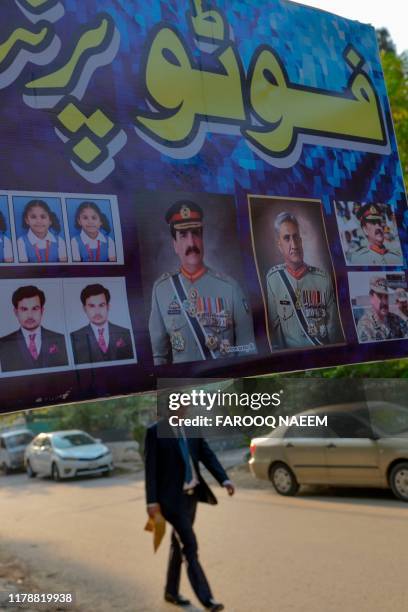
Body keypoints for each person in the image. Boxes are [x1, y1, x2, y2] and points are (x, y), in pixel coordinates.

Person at [144, 402, 234, 611]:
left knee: (178, 544)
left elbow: (207, 455)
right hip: (170, 500)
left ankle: (171, 591)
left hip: (191, 497)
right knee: (190, 545)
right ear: (169, 410)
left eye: (187, 408)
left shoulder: (192, 427)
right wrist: (152, 502)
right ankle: (207, 599)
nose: (186, 411)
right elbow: (150, 470)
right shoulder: (155, 432)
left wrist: (224, 480)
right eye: (181, 408)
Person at [149, 201, 256, 365]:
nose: (191, 243)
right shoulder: (161, 289)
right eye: (183, 235)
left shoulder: (230, 288)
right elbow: (158, 357)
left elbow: (247, 350)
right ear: (175, 245)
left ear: (202, 237)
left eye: (196, 233)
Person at [266, 211, 343, 350]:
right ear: (279, 245)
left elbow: (333, 329)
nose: (294, 245)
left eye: (296, 237)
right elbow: (275, 329)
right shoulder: (273, 279)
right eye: (287, 238)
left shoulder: (322, 279)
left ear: (301, 241)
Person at [0, 285, 68, 372]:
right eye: (24, 309)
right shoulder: (3, 344)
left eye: (35, 308)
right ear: (16, 312)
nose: (30, 315)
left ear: (42, 311)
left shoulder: (60, 339)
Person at [70, 283, 134, 364]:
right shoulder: (74, 337)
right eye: (92, 306)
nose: (97, 312)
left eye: (101, 305)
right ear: (84, 309)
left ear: (108, 307)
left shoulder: (126, 333)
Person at [357, 277, 408, 342]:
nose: (384, 302)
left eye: (386, 296)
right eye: (380, 296)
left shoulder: (396, 319)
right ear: (371, 297)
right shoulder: (365, 325)